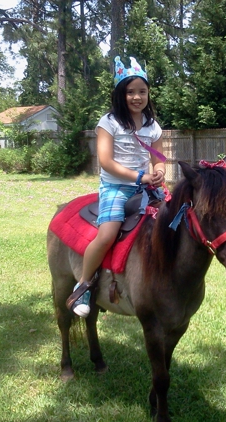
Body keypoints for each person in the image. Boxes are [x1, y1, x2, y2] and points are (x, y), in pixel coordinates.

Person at [68, 56, 166, 318]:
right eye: (130, 92)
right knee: (108, 233)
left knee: (176, 220)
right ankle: (84, 284)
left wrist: (158, 172)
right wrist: (140, 177)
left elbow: (159, 159)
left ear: (148, 94)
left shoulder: (152, 126)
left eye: (142, 91)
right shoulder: (108, 123)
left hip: (145, 188)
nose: (136, 97)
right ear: (120, 95)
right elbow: (106, 162)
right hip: (116, 188)